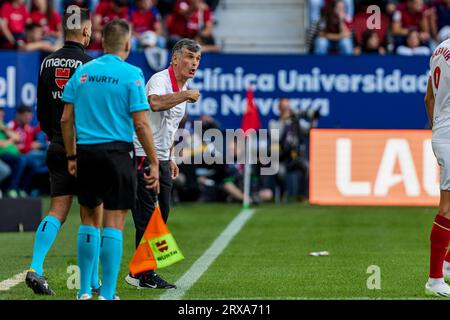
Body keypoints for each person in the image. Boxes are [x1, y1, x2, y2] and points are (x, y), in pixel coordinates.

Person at [61, 19, 159, 300]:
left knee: (89, 221)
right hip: (118, 153)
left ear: (102, 43)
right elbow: (141, 124)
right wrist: (153, 160)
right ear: (128, 44)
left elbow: (66, 118)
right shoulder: (132, 74)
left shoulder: (82, 72)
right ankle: (107, 293)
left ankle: (82, 292)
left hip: (87, 153)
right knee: (114, 223)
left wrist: (71, 155)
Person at [25, 7, 101, 296]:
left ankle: (36, 267)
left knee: (57, 210)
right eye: (90, 28)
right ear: (84, 31)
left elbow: (42, 109)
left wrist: (53, 136)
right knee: (92, 217)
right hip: (84, 147)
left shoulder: (46, 62)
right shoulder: (90, 65)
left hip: (56, 143)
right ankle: (91, 283)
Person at [125, 38, 201, 290]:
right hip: (141, 153)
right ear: (175, 59)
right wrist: (184, 95)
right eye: (190, 57)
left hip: (162, 157)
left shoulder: (184, 86)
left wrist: (171, 157)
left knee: (162, 212)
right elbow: (154, 103)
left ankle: (139, 272)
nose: (194, 63)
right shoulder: (160, 80)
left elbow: (170, 127)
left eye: (198, 59)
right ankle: (143, 274)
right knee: (147, 215)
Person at [424, 37, 450, 297]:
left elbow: (428, 97)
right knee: (447, 207)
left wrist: (437, 130)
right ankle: (434, 279)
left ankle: (448, 263)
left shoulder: (439, 49)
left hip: (443, 129)